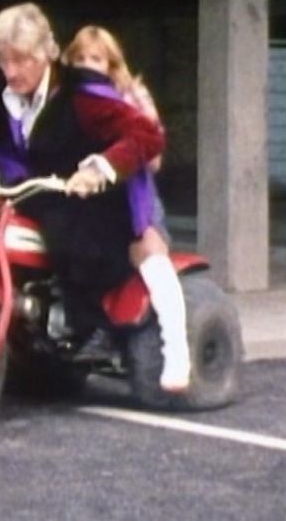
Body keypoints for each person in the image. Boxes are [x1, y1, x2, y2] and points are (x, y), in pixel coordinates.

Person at [0, 3, 187, 391]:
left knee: (81, 240)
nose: (11, 71)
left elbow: (145, 135)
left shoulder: (82, 93)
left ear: (47, 53)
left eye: (20, 60)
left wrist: (100, 169)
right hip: (39, 190)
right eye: (3, 60)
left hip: (94, 194)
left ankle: (99, 327)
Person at [62, 25, 190, 391]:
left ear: (112, 64)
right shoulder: (64, 101)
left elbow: (154, 159)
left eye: (96, 58)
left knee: (153, 262)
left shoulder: (131, 96)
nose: (87, 65)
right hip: (84, 204)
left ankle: (178, 354)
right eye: (80, 58)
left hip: (133, 199)